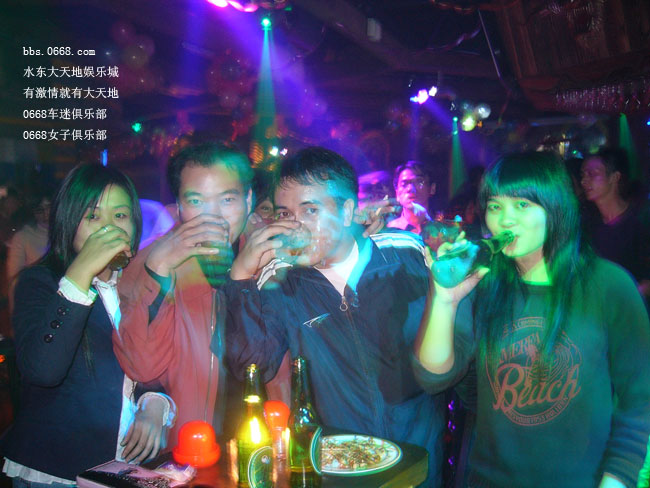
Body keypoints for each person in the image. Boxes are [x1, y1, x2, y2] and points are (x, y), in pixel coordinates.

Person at [415, 152, 650, 488]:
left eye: (522, 205)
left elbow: (639, 398)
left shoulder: (609, 285)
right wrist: (443, 300)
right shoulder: (483, 284)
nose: (505, 220)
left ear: (556, 208)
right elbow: (434, 378)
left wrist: (616, 480)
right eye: (495, 206)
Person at [224, 146, 446, 486]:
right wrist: (240, 277)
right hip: (341, 465)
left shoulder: (405, 253)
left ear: (347, 212)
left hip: (418, 460)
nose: (296, 225)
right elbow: (253, 367)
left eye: (310, 210)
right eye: (285, 213)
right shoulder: (281, 280)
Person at [1, 164, 174, 486]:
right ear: (69, 220)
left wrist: (154, 403)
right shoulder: (40, 282)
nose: (108, 227)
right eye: (93, 216)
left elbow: (150, 359)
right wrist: (80, 274)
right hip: (56, 473)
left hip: (122, 468)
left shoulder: (136, 285)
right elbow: (42, 370)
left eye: (120, 215)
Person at [112, 143, 254, 446]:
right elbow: (141, 368)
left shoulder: (269, 259)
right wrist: (158, 270)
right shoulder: (147, 265)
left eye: (227, 199)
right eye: (196, 201)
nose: (212, 216)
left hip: (266, 441)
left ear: (248, 200)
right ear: (178, 205)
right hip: (191, 448)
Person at [580, 147, 650, 300]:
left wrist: (630, 294)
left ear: (614, 177)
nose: (584, 181)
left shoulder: (641, 221)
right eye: (583, 175)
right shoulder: (586, 223)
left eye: (592, 174)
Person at [387, 160, 436, 234]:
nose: (410, 188)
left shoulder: (444, 230)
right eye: (404, 184)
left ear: (432, 188)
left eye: (419, 182)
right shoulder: (388, 232)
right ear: (397, 193)